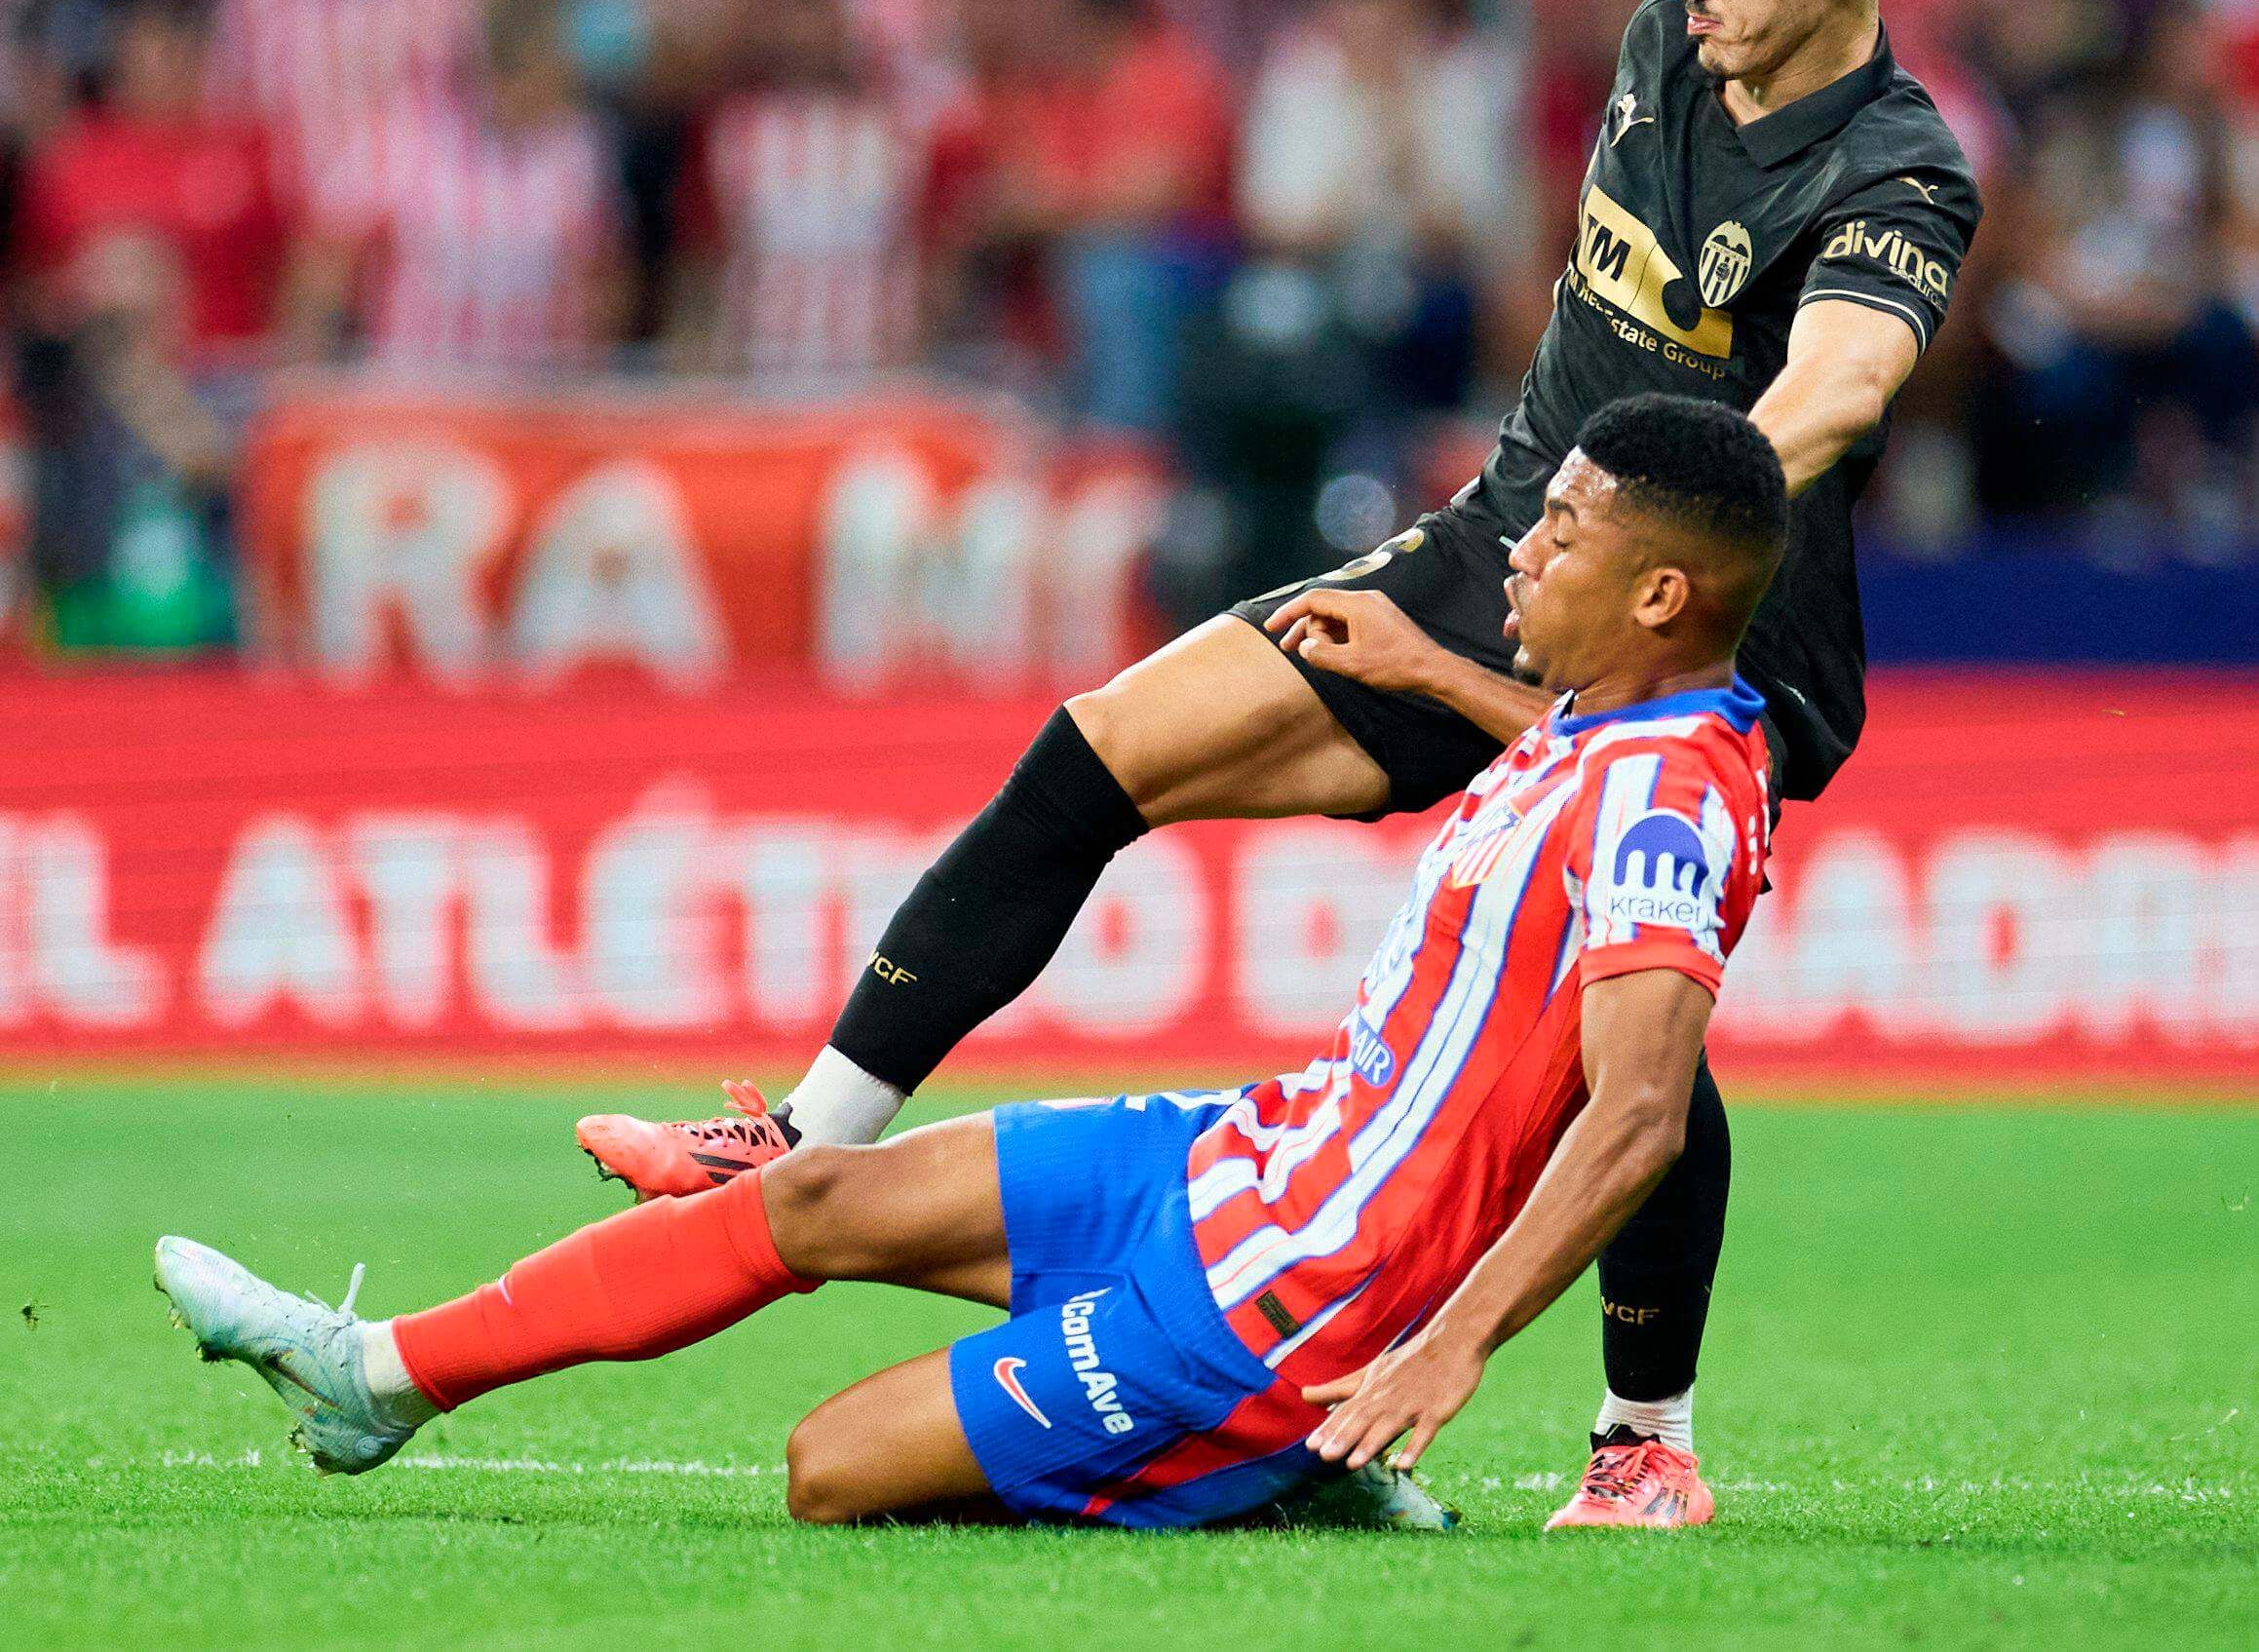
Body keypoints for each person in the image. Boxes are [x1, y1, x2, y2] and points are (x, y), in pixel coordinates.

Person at [577, 0, 1982, 1528]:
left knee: (1620, 1028)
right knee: (1106, 745)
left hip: (1697, 628)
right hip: (1505, 551)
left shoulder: (1897, 172)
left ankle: (1643, 1441)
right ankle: (809, 1137)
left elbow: (1837, 383)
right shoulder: (1661, 44)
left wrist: (1664, 517)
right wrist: (1552, 525)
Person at [157, 395, 1783, 1530]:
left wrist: (1454, 1345)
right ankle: (365, 1379)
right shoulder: (1630, 739)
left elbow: (1639, 1115)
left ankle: (1270, 1470)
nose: (1516, 550)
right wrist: (1427, 663)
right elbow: (1592, 769)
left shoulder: (1661, 804)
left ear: (1656, 590)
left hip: (1290, 1299)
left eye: (1557, 535)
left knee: (828, 1468)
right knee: (801, 1201)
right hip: (1250, 1154)